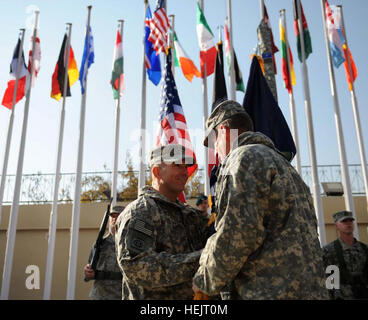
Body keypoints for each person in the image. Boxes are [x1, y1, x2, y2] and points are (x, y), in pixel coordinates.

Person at [192, 100, 328, 299]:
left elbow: (238, 234)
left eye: (214, 143)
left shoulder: (243, 158)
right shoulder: (286, 167)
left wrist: (204, 281)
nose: (216, 152)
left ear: (222, 130)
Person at [115, 144, 209, 300]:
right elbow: (138, 267)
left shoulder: (191, 215)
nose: (185, 172)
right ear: (157, 172)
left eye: (186, 166)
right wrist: (201, 259)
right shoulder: (142, 212)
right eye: (177, 165)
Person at [323, 210, 368, 299]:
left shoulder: (365, 249)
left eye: (350, 221)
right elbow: (329, 281)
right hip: (342, 296)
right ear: (336, 226)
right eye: (344, 221)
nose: (348, 224)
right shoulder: (329, 251)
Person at [83, 205, 124, 300]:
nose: (115, 219)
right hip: (99, 295)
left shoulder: (129, 243)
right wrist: (87, 272)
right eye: (112, 216)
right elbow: (90, 266)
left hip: (121, 295)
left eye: (118, 216)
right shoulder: (100, 243)